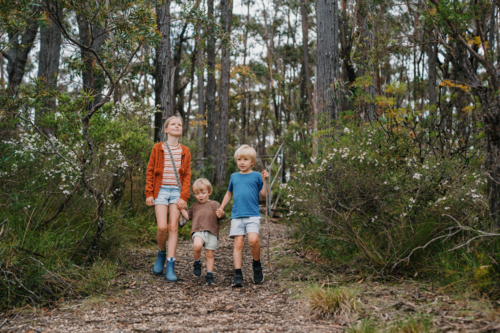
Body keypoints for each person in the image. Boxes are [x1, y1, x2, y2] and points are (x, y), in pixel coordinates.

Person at [145, 116, 191, 282]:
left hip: (177, 192)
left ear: (181, 130)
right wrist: (149, 193)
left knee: (173, 226)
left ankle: (170, 264)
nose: (177, 126)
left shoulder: (185, 151)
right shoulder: (158, 148)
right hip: (160, 191)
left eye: (179, 124)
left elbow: (187, 176)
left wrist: (184, 197)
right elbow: (150, 171)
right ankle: (161, 253)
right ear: (166, 129)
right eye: (173, 124)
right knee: (162, 227)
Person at [217, 145, 269, 287]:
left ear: (252, 162)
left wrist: (265, 181)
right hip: (237, 215)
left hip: (252, 215)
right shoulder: (234, 176)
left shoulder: (257, 176)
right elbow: (229, 193)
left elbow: (264, 195)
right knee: (238, 243)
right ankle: (238, 274)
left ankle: (257, 265)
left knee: (253, 241)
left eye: (245, 159)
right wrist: (221, 207)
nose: (242, 162)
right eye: (239, 159)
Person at [180, 178, 225, 284]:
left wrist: (221, 213)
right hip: (198, 231)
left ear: (209, 192)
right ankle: (197, 262)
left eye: (203, 193)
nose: (200, 196)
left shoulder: (214, 204)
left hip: (211, 232)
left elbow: (222, 215)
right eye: (197, 194)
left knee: (210, 254)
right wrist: (181, 209)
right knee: (197, 246)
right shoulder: (194, 206)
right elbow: (187, 217)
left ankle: (209, 275)